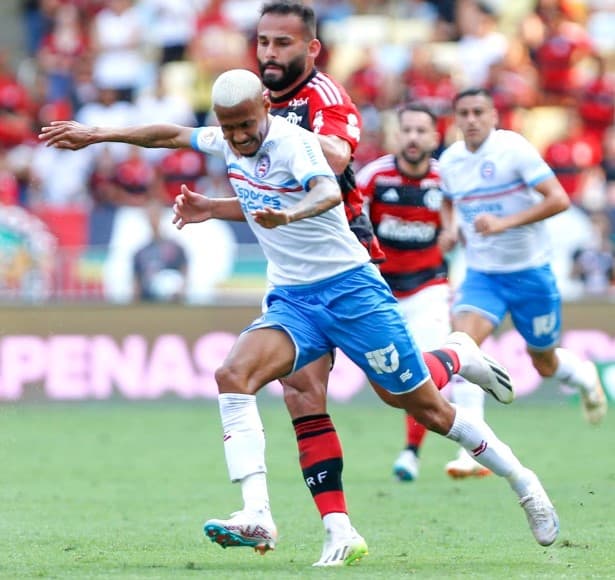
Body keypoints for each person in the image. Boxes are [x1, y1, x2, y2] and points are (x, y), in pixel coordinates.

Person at [39, 69, 560, 565]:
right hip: (294, 300)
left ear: (265, 107)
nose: (239, 136)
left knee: (424, 409)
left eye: (246, 123)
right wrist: (97, 134)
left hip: (352, 291)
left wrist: (287, 215)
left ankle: (522, 479)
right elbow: (171, 134)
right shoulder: (225, 138)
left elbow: (327, 191)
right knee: (233, 375)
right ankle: (257, 512)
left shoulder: (293, 141)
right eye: (229, 127)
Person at [438, 87, 608, 426]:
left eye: (478, 112)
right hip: (483, 275)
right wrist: (449, 228)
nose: (471, 120)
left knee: (542, 362)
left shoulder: (512, 150)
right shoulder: (450, 160)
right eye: (464, 114)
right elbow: (446, 199)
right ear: (456, 119)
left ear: (493, 116)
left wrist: (504, 223)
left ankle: (585, 376)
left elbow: (558, 199)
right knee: (462, 347)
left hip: (530, 274)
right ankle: (471, 449)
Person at [356, 102, 489, 482]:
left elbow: (466, 222)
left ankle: (462, 450)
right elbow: (352, 225)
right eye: (407, 130)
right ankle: (414, 450)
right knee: (399, 378)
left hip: (429, 287)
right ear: (397, 135)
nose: (413, 138)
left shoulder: (445, 179)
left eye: (421, 131)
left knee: (425, 369)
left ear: (435, 136)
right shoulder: (374, 177)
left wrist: (454, 233)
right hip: (383, 294)